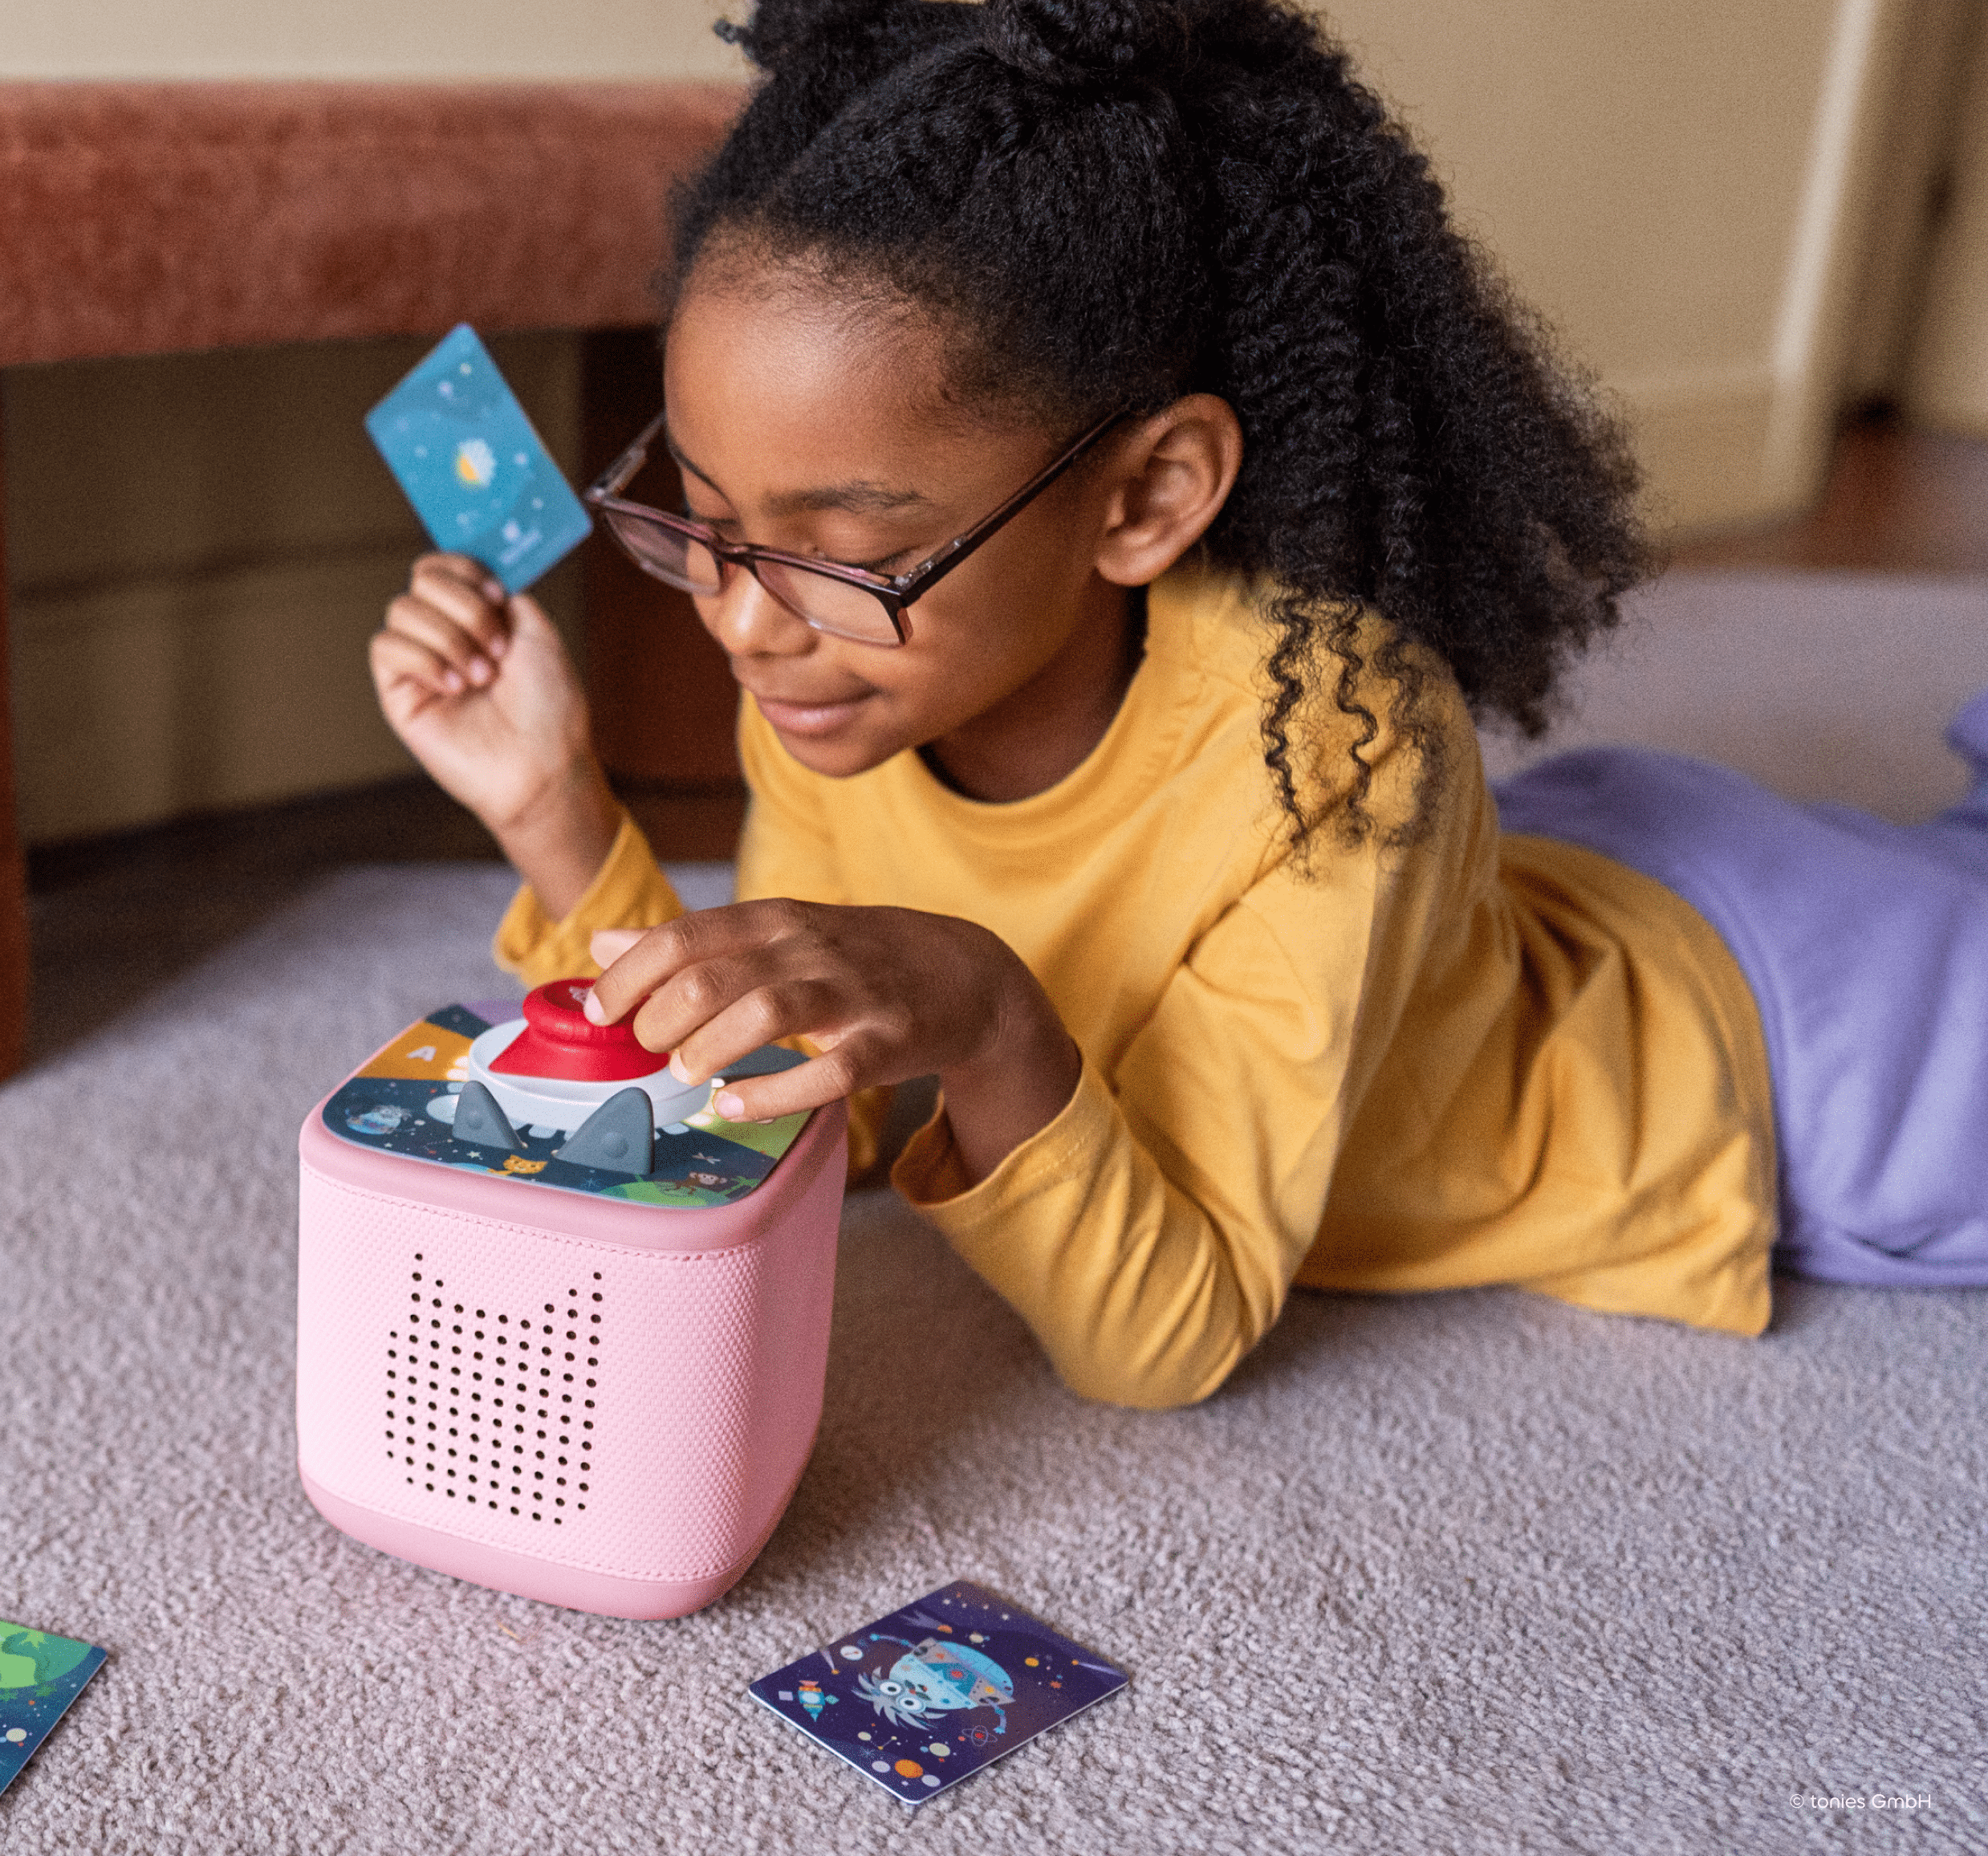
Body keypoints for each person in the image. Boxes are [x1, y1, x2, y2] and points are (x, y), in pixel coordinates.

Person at [367, 0, 1988, 1409]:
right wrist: (560, 816)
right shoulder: (835, 663)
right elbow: (817, 1115)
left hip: (1776, 1055)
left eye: (838, 555)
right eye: (705, 522)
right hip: (1512, 898)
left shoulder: (1336, 747)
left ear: (1147, 498)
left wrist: (994, 1014)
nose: (736, 618)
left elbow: (1176, 1329)